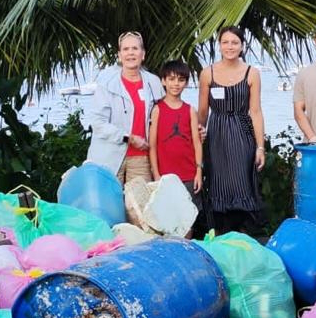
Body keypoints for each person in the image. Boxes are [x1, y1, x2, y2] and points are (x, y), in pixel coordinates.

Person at [198, 27, 266, 234]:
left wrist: (260, 147)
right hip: (216, 134)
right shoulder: (207, 73)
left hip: (242, 133)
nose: (230, 46)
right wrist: (198, 138)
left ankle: (245, 235)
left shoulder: (251, 72)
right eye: (225, 42)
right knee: (217, 182)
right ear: (219, 45)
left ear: (242, 46)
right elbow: (202, 112)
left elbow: (255, 111)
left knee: (242, 182)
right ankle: (220, 234)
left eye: (234, 42)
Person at [84, 31, 164, 186]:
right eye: (126, 49)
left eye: (135, 48)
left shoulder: (154, 83)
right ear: (119, 55)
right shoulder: (106, 82)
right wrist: (128, 138)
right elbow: (98, 123)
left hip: (142, 157)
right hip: (109, 155)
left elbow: (165, 114)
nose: (131, 53)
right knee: (109, 205)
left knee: (139, 207)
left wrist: (194, 127)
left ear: (143, 54)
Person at [149, 60, 202, 191]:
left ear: (186, 83)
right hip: (164, 176)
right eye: (171, 79)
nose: (176, 84)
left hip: (189, 175)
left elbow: (197, 143)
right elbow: (152, 145)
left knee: (192, 210)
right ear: (163, 81)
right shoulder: (157, 110)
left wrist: (199, 172)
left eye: (181, 80)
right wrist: (156, 174)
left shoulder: (190, 110)